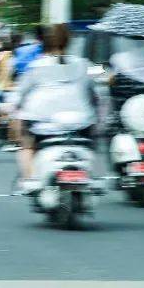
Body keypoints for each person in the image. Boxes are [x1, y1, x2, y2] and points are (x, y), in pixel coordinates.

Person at [14, 24, 99, 185]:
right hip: (81, 123)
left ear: (43, 41)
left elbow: (18, 95)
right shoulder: (84, 64)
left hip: (42, 125)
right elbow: (103, 75)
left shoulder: (34, 67)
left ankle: (31, 180)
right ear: (69, 41)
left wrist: (12, 109)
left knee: (26, 146)